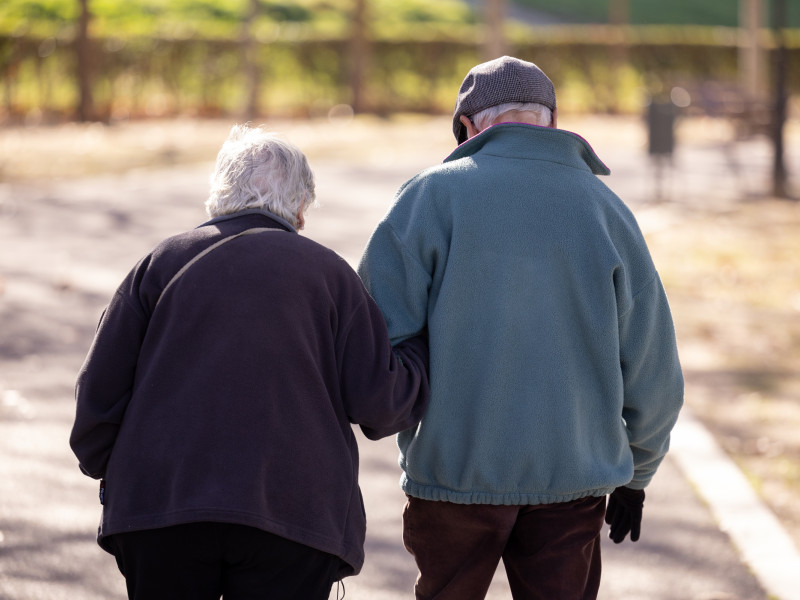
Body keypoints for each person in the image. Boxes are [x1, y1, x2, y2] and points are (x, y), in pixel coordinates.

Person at [357, 56, 684, 600]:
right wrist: (637, 474)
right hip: (573, 478)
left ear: (467, 126)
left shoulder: (429, 197)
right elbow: (653, 366)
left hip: (453, 475)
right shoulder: (606, 209)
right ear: (551, 121)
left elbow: (376, 340)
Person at [69, 124, 430, 600]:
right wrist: (420, 350)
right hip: (294, 516)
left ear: (218, 196)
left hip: (162, 511)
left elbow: (97, 402)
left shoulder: (159, 264)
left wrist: (116, 477)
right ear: (300, 207)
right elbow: (381, 406)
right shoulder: (330, 276)